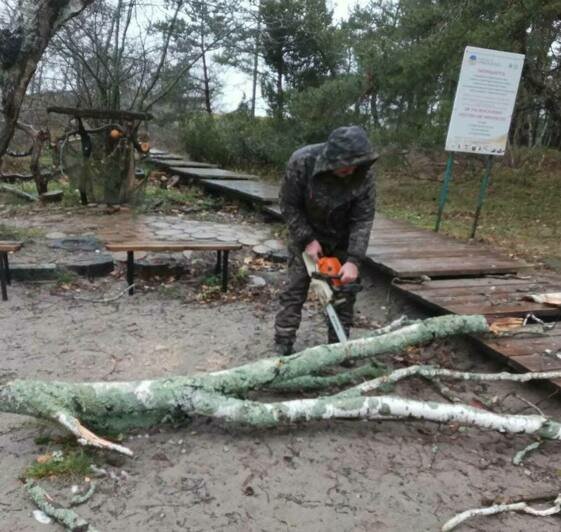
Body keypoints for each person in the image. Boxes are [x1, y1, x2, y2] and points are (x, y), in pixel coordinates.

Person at [274, 125, 379, 355]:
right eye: (344, 166)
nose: (349, 170)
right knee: (295, 288)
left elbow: (363, 219)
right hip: (306, 230)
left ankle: (339, 347)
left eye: (354, 166)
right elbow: (288, 204)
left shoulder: (363, 176)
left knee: (345, 292)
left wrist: (354, 260)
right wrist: (307, 239)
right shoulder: (302, 162)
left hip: (341, 237)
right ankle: (283, 342)